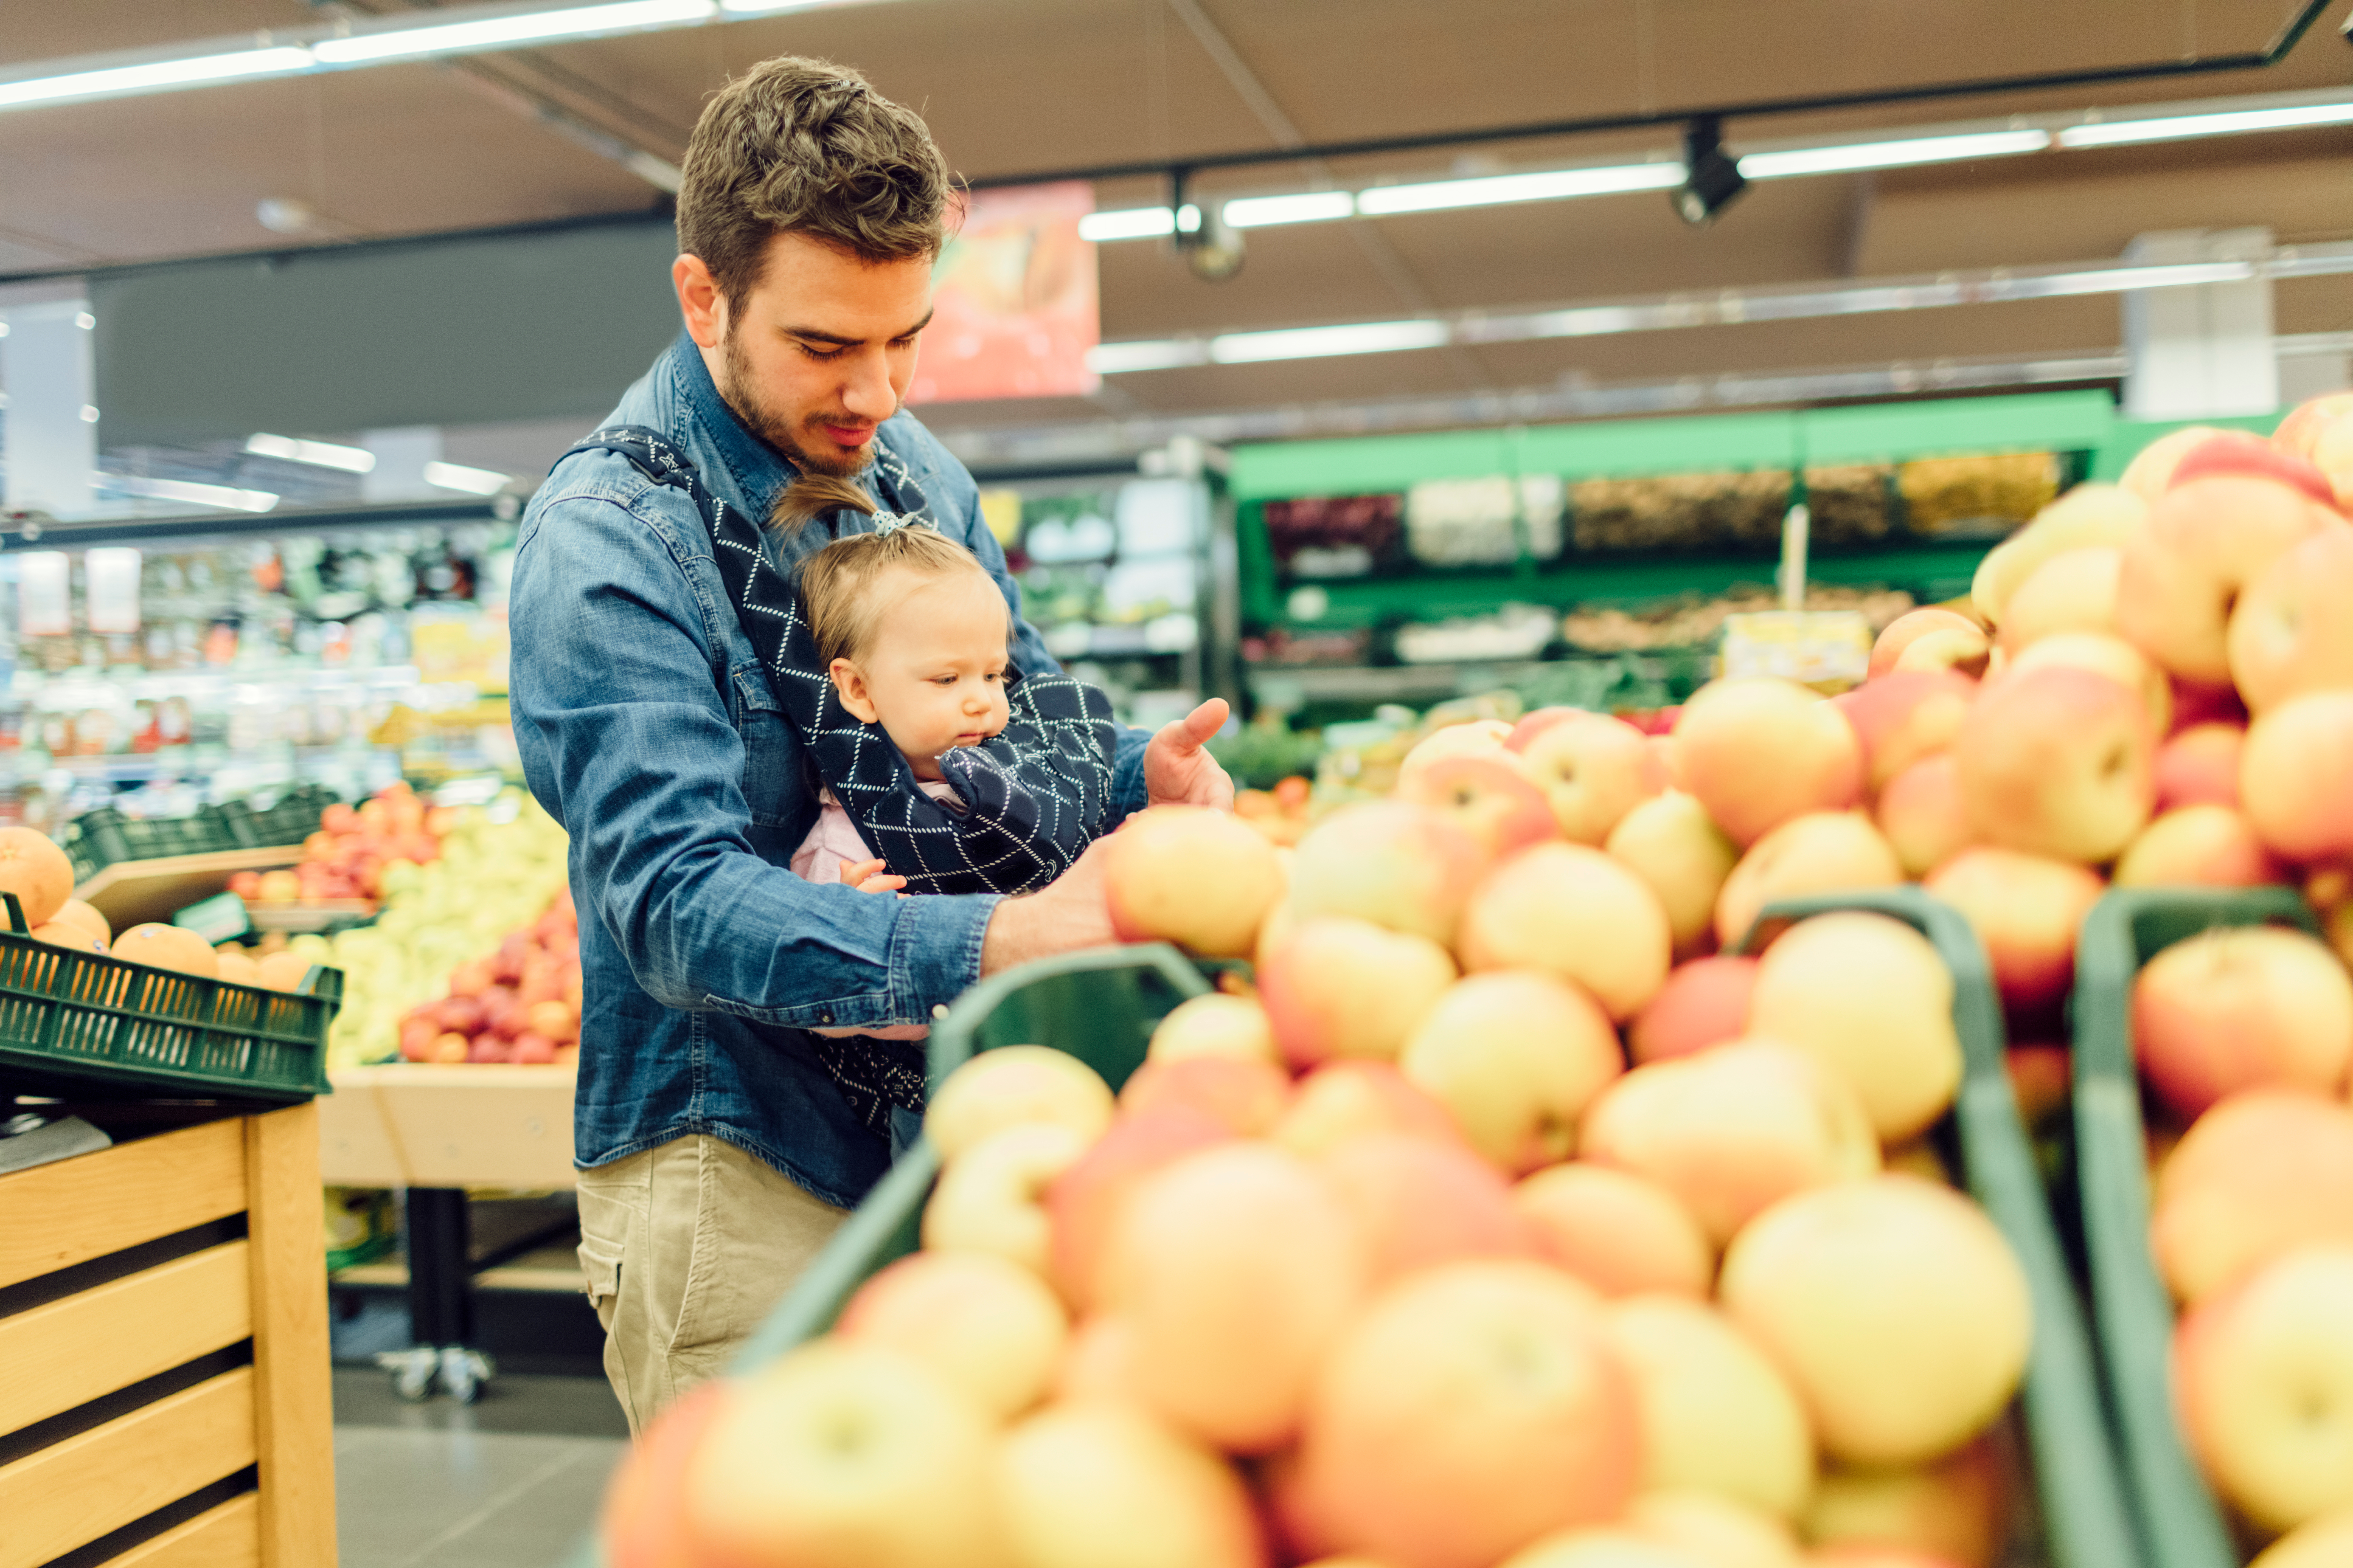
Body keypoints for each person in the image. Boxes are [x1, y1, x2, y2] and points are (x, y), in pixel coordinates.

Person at [507, 53, 1231, 1435]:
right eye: (826, 347)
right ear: (703, 298)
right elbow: (669, 903)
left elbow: (1007, 709)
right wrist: (999, 940)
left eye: (906, 339)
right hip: (739, 1163)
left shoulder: (913, 477)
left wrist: (1132, 771)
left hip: (949, 1125)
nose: (879, 390)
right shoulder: (607, 541)